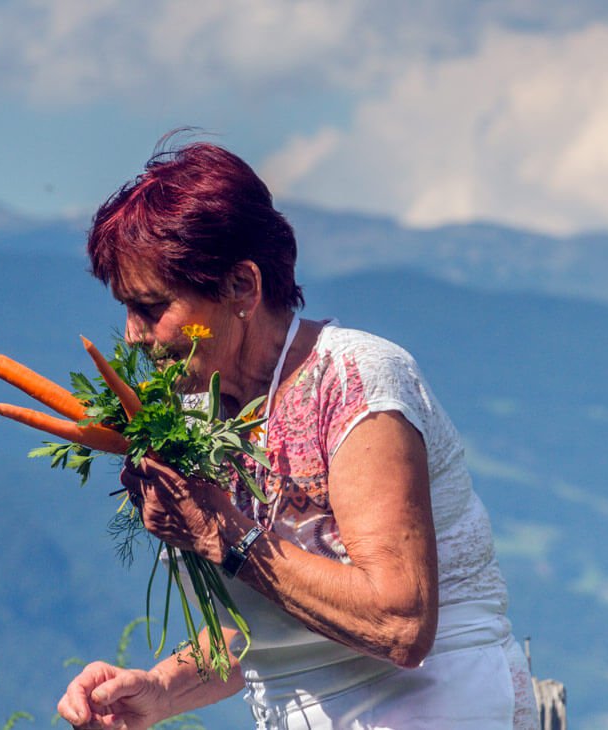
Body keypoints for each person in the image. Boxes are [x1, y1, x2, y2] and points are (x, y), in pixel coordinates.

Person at [56, 138, 535, 730]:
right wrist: (161, 689)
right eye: (126, 308)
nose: (132, 335)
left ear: (242, 288)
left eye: (152, 307)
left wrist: (221, 533)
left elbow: (399, 624)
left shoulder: (354, 383)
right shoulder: (194, 414)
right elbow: (267, 624)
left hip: (437, 708)